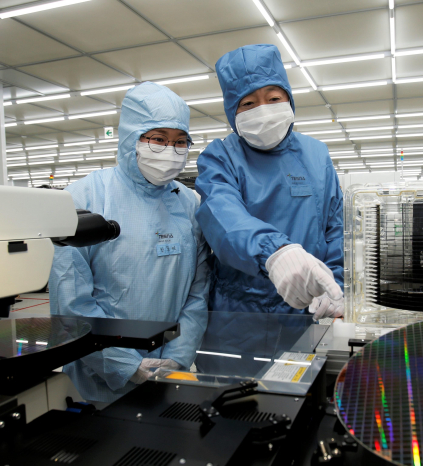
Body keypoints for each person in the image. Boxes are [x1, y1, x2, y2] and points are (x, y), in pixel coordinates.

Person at [49, 82, 210, 403]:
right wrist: (124, 363)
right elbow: (71, 302)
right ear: (131, 137)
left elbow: (198, 292)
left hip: (170, 371)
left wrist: (178, 356)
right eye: (158, 139)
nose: (170, 151)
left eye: (180, 142)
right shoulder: (86, 196)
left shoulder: (189, 203)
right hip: (98, 377)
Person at [194, 44, 343, 370]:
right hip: (239, 318)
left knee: (298, 404)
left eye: (273, 98)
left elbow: (334, 226)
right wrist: (274, 253)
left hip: (304, 313)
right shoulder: (220, 157)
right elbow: (223, 217)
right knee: (236, 407)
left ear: (289, 98)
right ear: (232, 110)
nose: (263, 109)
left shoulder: (316, 155)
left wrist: (336, 283)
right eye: (248, 103)